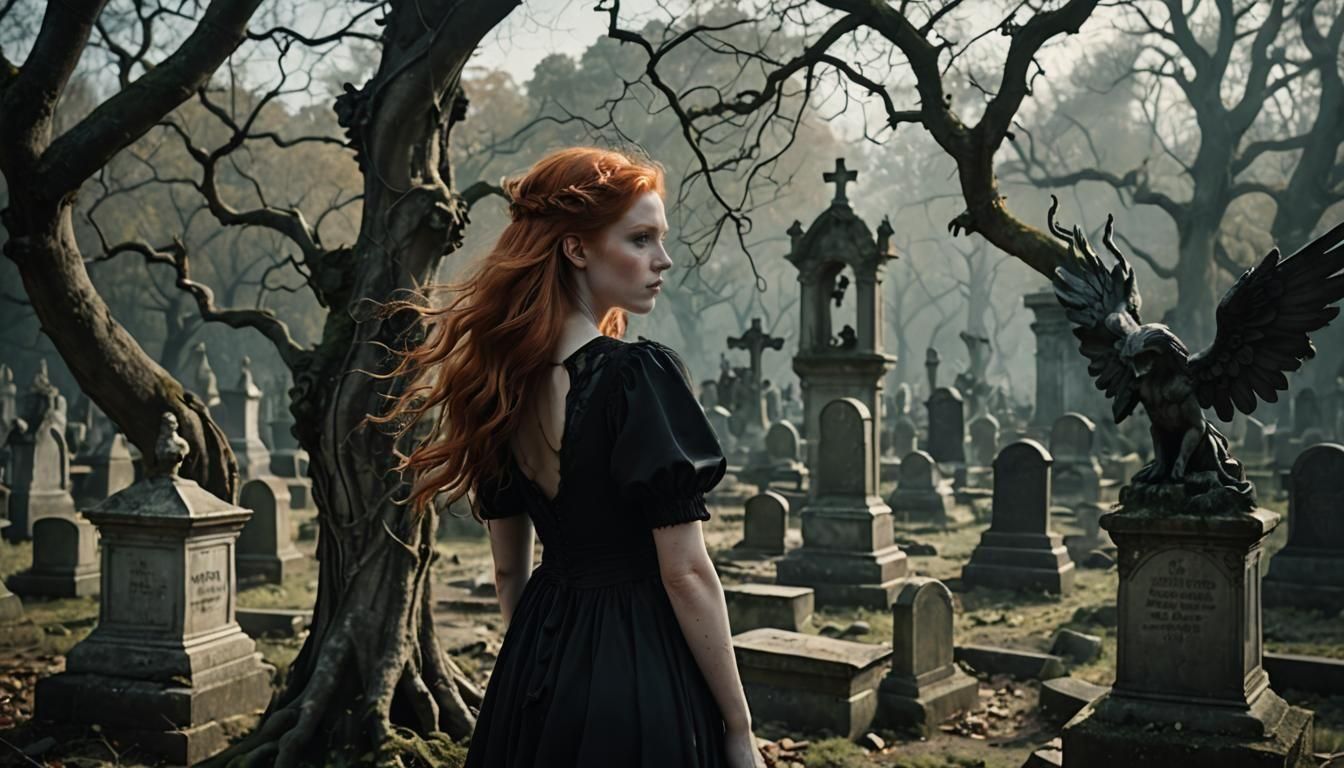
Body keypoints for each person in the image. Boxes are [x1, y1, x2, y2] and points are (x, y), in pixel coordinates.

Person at [381, 147, 767, 768]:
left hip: (538, 658)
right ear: (577, 249)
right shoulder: (637, 377)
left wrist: (538, 669)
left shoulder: (498, 389)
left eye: (661, 239)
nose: (662, 259)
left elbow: (509, 573)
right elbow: (686, 573)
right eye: (640, 239)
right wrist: (740, 728)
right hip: (641, 668)